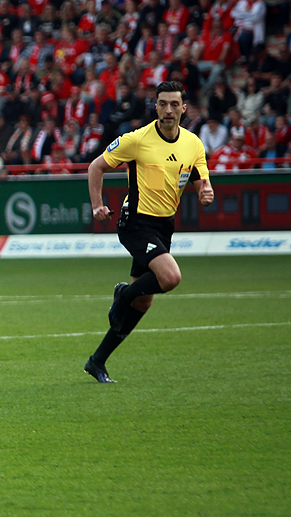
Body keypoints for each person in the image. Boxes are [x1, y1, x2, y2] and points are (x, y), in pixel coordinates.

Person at [85, 81, 214, 383]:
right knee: (170, 277)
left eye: (174, 104)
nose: (168, 110)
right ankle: (122, 295)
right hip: (135, 222)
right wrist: (97, 205)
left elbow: (201, 180)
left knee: (143, 302)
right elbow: (95, 167)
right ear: (155, 107)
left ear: (184, 108)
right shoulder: (136, 140)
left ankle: (97, 361)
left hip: (164, 226)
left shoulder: (193, 144)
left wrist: (205, 192)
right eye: (163, 104)